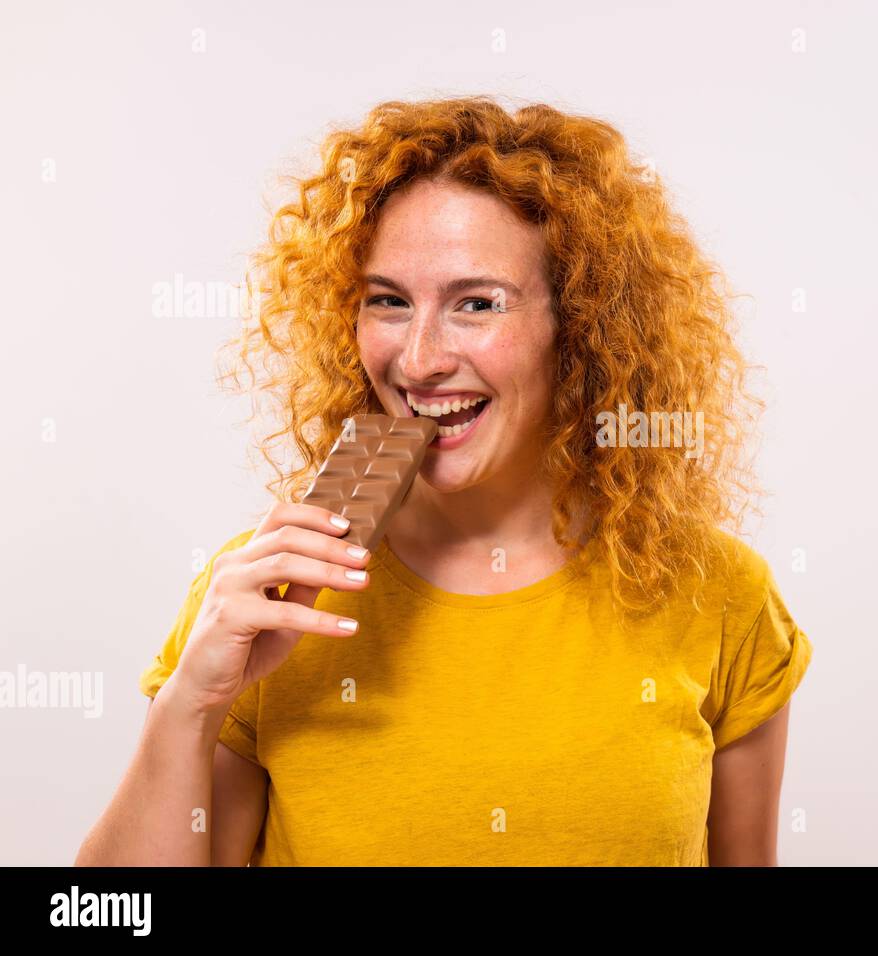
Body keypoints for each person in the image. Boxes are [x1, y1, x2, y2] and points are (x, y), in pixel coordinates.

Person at [76, 96, 813, 866]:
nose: (419, 358)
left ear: (580, 326)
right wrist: (190, 704)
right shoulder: (270, 594)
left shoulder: (716, 594)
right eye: (388, 301)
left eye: (476, 304)